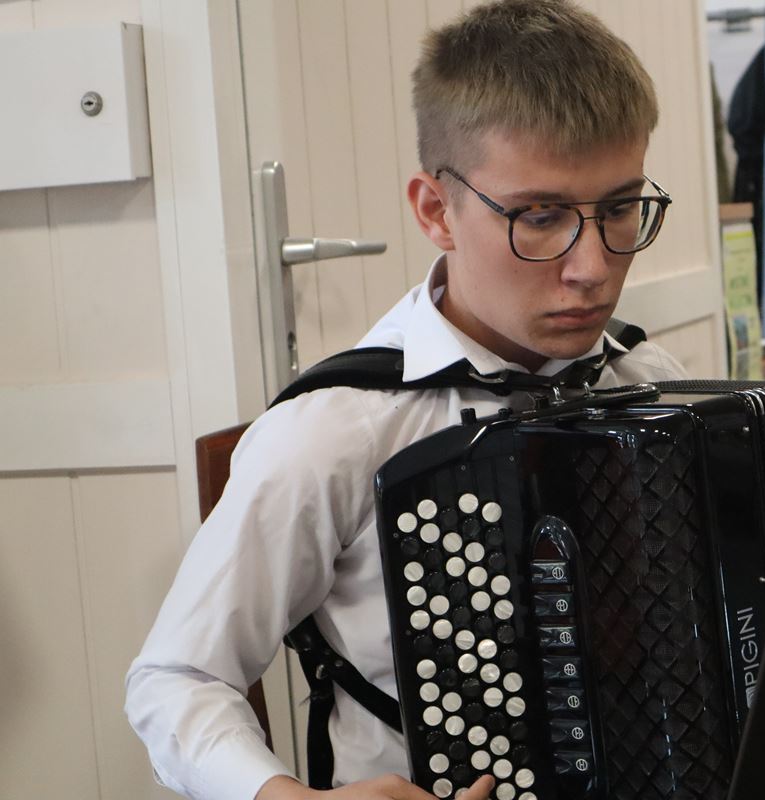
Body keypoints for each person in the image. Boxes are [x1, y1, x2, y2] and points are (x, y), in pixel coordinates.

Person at [124, 2, 687, 798]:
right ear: (435, 211)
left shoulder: (646, 379)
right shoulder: (339, 430)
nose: (593, 267)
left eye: (621, 208)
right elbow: (175, 678)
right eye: (541, 216)